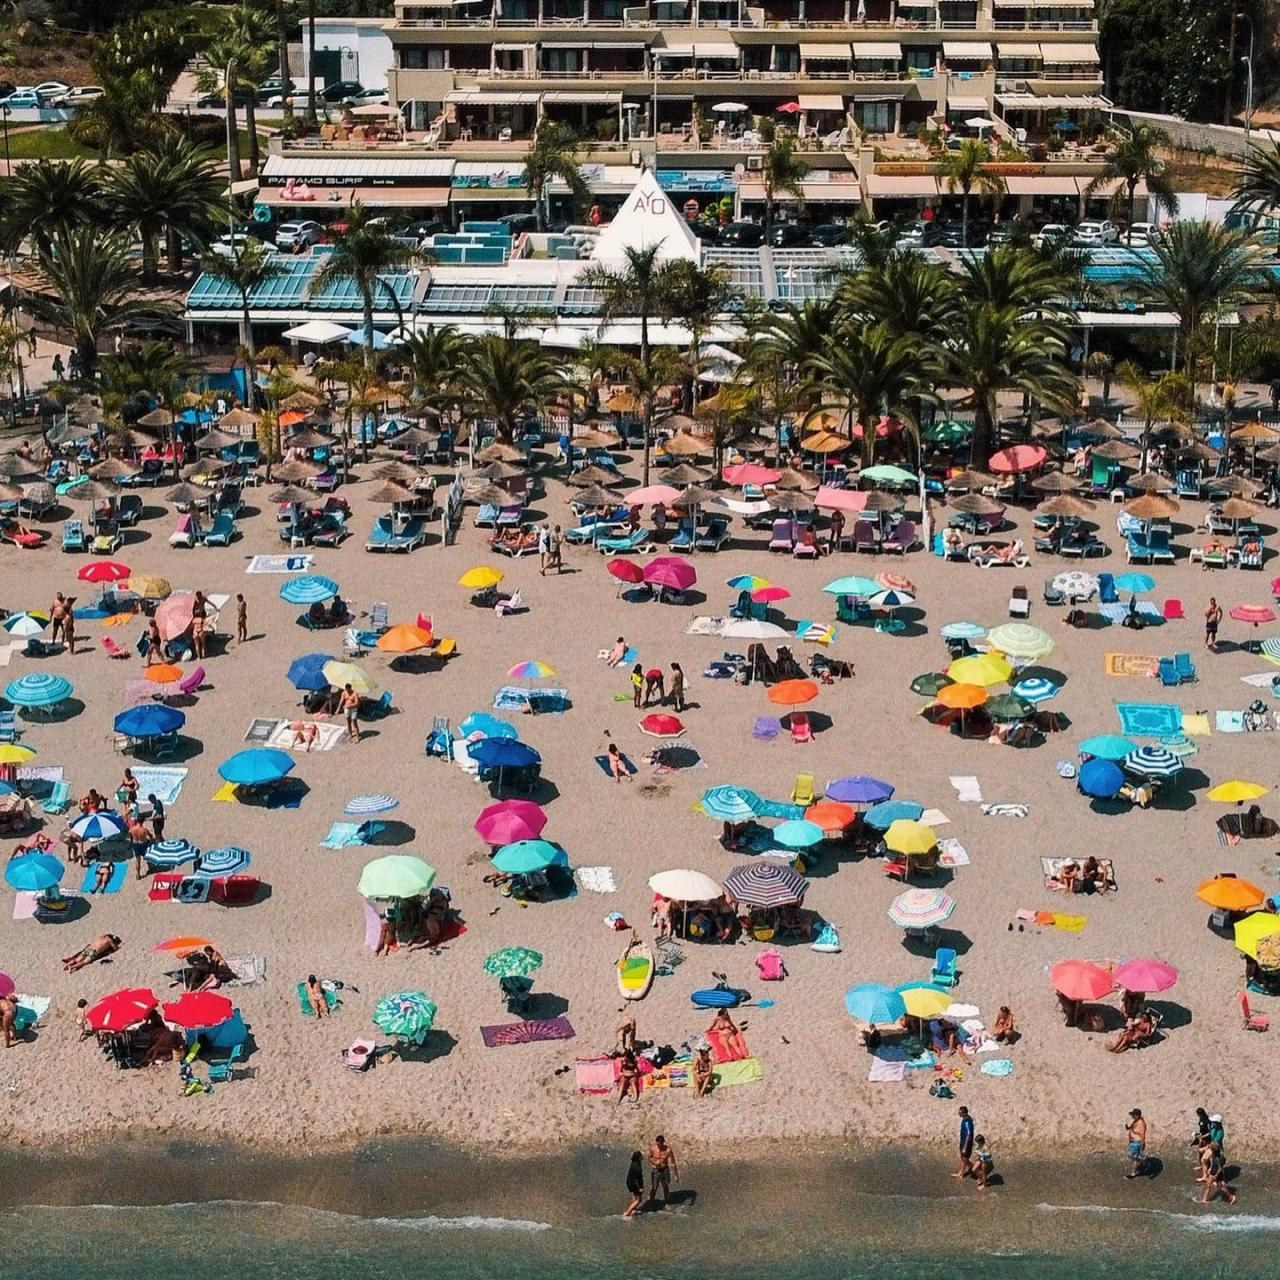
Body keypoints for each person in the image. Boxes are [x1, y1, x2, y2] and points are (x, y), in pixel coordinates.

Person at [648, 1135, 678, 1208]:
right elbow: (649, 1157)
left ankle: (667, 1202)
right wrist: (654, 1162)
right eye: (657, 1144)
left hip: (665, 1169)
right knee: (654, 1187)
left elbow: (673, 1162)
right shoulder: (653, 1148)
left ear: (662, 1143)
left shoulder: (668, 1150)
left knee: (665, 1186)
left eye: (659, 1144)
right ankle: (651, 1201)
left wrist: (676, 1175)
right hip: (656, 1169)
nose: (658, 1146)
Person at [126, 812, 151, 880]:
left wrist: (131, 844)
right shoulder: (144, 830)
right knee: (148, 856)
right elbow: (150, 836)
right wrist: (149, 840)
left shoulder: (132, 829)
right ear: (142, 821)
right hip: (143, 844)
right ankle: (151, 868)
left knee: (137, 860)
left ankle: (138, 874)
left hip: (135, 844)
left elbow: (130, 838)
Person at [953, 1106, 975, 1179]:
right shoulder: (965, 1119)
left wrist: (965, 1147)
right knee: (963, 1158)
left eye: (960, 1113)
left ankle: (975, 1169)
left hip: (966, 1144)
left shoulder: (967, 1122)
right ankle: (961, 1173)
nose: (959, 1114)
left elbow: (969, 1134)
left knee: (965, 1159)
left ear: (964, 1113)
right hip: (963, 1141)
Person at [1125, 1109, 1147, 1178]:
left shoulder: (1141, 1124)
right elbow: (1133, 1127)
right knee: (1132, 1156)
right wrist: (1128, 1127)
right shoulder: (1136, 1121)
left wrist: (1141, 1146)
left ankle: (1133, 1173)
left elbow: (1142, 1135)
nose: (1132, 1116)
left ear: (1137, 1115)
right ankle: (1143, 1163)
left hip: (1137, 1143)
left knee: (1133, 1156)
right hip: (1133, 1142)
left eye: (1133, 1115)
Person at [623, 1151, 645, 1218]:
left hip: (629, 1182)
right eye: (641, 1156)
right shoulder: (637, 1167)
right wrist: (639, 1188)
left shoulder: (634, 1163)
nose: (642, 1157)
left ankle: (633, 1210)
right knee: (638, 1200)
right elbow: (637, 1179)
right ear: (639, 1158)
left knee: (634, 1196)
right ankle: (627, 1213)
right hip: (634, 1184)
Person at [191, 591, 208, 659]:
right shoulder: (202, 620)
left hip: (195, 632)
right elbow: (206, 626)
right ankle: (203, 655)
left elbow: (191, 627)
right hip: (201, 632)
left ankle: (199, 657)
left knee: (197, 645)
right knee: (203, 644)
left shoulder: (193, 620)